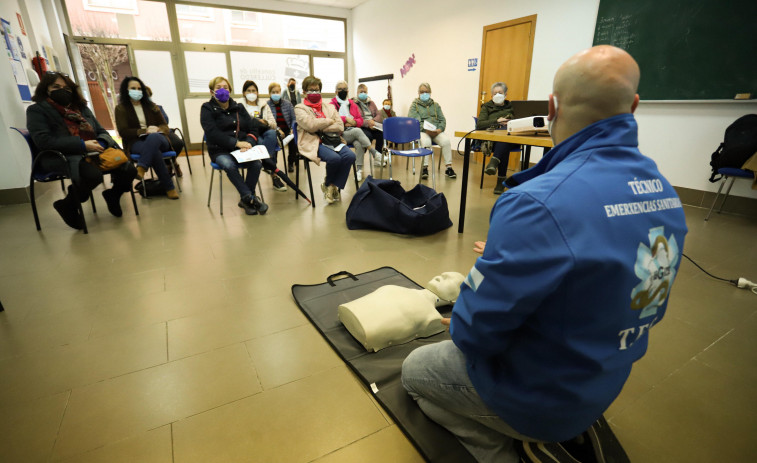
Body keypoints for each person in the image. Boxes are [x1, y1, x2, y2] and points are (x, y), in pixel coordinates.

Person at [401, 45, 689, 463]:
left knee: (414, 372)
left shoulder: (537, 202)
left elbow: (473, 333)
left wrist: (490, 272)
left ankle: (504, 449)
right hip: (602, 385)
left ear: (551, 107)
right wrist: (519, 251)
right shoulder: (665, 193)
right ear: (635, 105)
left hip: (537, 398)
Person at [26, 71, 137, 229]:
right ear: (46, 89)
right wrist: (82, 145)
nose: (62, 90)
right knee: (92, 176)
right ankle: (67, 205)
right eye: (56, 87)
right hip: (61, 156)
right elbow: (44, 141)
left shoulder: (82, 108)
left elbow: (102, 131)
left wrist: (101, 143)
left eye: (66, 88)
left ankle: (113, 195)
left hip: (93, 151)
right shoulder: (37, 110)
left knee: (129, 170)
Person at [200, 76, 269, 216]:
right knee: (229, 165)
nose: (222, 90)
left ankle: (245, 200)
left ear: (230, 90)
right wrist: (236, 143)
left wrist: (249, 142)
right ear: (212, 91)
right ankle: (250, 198)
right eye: (218, 87)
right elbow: (212, 133)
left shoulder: (239, 108)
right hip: (220, 151)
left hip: (242, 149)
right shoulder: (207, 108)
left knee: (256, 164)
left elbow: (253, 127)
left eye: (225, 87)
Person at [115, 76, 179, 199]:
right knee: (154, 151)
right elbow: (123, 131)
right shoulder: (121, 108)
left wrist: (158, 129)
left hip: (160, 139)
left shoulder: (151, 106)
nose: (137, 91)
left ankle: (142, 167)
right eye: (133, 88)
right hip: (136, 142)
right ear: (126, 90)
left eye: (139, 88)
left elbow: (165, 126)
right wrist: (144, 131)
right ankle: (169, 187)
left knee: (153, 138)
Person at [294, 75, 356, 204]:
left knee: (350, 156)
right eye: (311, 90)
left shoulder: (329, 107)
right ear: (304, 92)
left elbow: (340, 126)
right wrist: (328, 121)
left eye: (317, 90)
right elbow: (310, 126)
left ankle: (330, 185)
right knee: (334, 159)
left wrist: (320, 126)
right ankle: (331, 186)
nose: (314, 93)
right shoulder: (300, 108)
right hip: (314, 142)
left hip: (333, 140)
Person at [240, 80, 286, 192]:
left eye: (254, 91)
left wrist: (265, 122)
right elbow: (240, 124)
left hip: (264, 130)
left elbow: (273, 124)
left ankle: (267, 163)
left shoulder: (264, 105)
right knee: (262, 142)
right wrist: (254, 122)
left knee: (272, 134)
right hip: (250, 134)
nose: (252, 93)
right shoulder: (239, 105)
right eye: (249, 91)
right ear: (244, 92)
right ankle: (271, 170)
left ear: (257, 92)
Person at [476, 82, 521, 195]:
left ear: (505, 95)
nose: (497, 95)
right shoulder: (486, 106)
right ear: (491, 96)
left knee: (505, 139)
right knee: (503, 145)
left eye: (500, 93)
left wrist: (510, 123)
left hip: (512, 138)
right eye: (495, 93)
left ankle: (494, 163)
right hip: (492, 141)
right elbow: (480, 125)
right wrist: (497, 121)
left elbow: (520, 122)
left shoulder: (512, 107)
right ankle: (500, 181)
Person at [408, 82, 456, 179]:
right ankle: (424, 168)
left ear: (430, 92)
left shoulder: (436, 105)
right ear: (418, 93)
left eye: (426, 91)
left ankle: (449, 168)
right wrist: (426, 130)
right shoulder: (414, 106)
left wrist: (439, 130)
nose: (424, 94)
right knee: (426, 141)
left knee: (446, 141)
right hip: (423, 131)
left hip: (436, 131)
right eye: (422, 92)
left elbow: (443, 119)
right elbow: (415, 122)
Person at [329, 80, 371, 182]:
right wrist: (346, 119)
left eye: (344, 89)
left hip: (352, 130)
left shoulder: (352, 104)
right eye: (340, 89)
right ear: (336, 92)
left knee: (359, 143)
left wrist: (353, 122)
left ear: (348, 91)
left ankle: (359, 170)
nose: (343, 91)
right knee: (357, 132)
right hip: (340, 134)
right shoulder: (331, 104)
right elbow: (332, 119)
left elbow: (360, 120)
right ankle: (373, 151)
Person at [144, 85, 184, 178]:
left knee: (178, 143)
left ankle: (171, 163)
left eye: (148, 96)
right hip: (148, 135)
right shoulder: (138, 111)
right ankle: (170, 164)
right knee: (158, 146)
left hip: (163, 132)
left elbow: (165, 121)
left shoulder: (157, 107)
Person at [265, 82, 298, 175]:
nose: (276, 94)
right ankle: (273, 166)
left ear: (280, 92)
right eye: (273, 92)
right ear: (269, 93)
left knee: (293, 140)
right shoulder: (266, 105)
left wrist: (292, 128)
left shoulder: (288, 104)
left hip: (287, 129)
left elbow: (294, 118)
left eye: (277, 92)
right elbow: (268, 121)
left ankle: (291, 163)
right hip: (274, 130)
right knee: (273, 140)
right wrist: (278, 129)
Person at [352, 83, 384, 166]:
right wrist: (368, 123)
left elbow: (379, 114)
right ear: (357, 92)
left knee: (381, 134)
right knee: (368, 136)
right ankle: (361, 157)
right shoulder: (353, 103)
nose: (363, 93)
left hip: (373, 124)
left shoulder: (371, 102)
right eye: (361, 91)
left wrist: (373, 121)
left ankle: (378, 158)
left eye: (365, 92)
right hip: (362, 126)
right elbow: (356, 118)